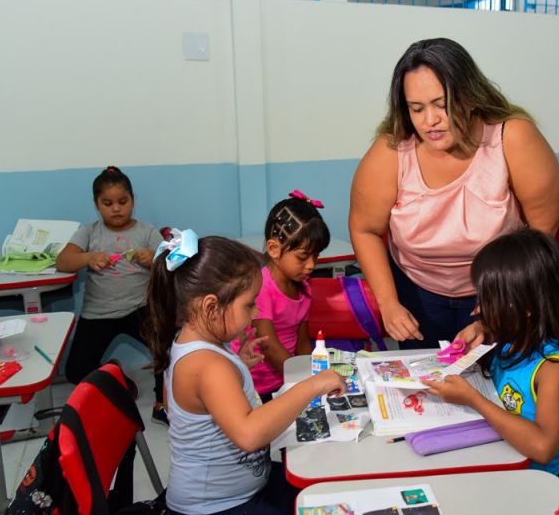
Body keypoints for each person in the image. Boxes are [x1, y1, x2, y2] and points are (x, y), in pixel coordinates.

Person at [349, 38, 559, 349]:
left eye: (442, 104)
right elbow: (365, 228)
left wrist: (501, 308)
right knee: (427, 386)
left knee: (497, 387)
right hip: (417, 294)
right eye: (417, 108)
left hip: (502, 288)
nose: (430, 120)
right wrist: (388, 303)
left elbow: (542, 235)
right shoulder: (391, 150)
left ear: (469, 96)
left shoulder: (513, 138)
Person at [145, 233, 346, 514]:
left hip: (239, 490)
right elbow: (249, 434)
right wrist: (313, 385)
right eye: (249, 304)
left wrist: (237, 364)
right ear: (211, 307)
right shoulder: (207, 365)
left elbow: (197, 402)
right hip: (217, 508)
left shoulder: (194, 343)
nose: (256, 312)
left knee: (320, 484)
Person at [423, 229, 559, 475]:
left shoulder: (552, 368)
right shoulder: (512, 336)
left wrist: (474, 400)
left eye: (487, 301)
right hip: (494, 458)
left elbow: (544, 448)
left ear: (525, 307)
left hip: (529, 478)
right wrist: (482, 326)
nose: (477, 309)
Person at [57, 166, 167, 425]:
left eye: (122, 202)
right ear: (97, 205)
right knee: (75, 371)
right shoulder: (90, 232)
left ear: (132, 200)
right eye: (107, 203)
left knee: (168, 352)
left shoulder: (146, 231)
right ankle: (117, 378)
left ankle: (162, 404)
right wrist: (87, 258)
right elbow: (63, 261)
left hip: (140, 308)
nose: (116, 208)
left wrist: (154, 258)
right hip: (98, 313)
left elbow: (170, 263)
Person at [248, 191, 330, 402]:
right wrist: (306, 384)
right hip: (258, 386)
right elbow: (269, 346)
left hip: (288, 378)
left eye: (316, 255)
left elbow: (302, 342)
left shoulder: (303, 286)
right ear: (274, 249)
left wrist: (311, 375)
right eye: (303, 257)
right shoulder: (262, 287)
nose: (312, 265)